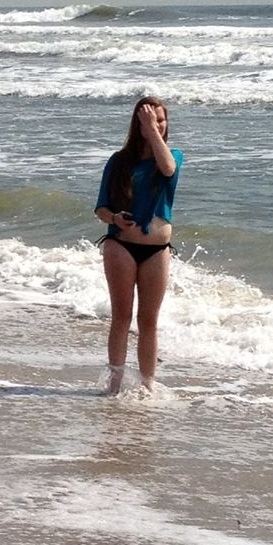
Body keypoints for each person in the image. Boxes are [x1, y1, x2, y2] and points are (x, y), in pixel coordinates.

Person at [94, 96, 183, 394]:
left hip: (157, 249)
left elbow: (168, 169)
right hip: (121, 245)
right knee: (122, 316)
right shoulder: (119, 161)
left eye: (161, 120)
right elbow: (100, 209)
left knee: (149, 320)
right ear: (137, 125)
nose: (157, 125)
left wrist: (152, 131)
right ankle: (114, 383)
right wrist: (115, 217)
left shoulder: (172, 157)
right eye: (149, 120)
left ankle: (148, 385)